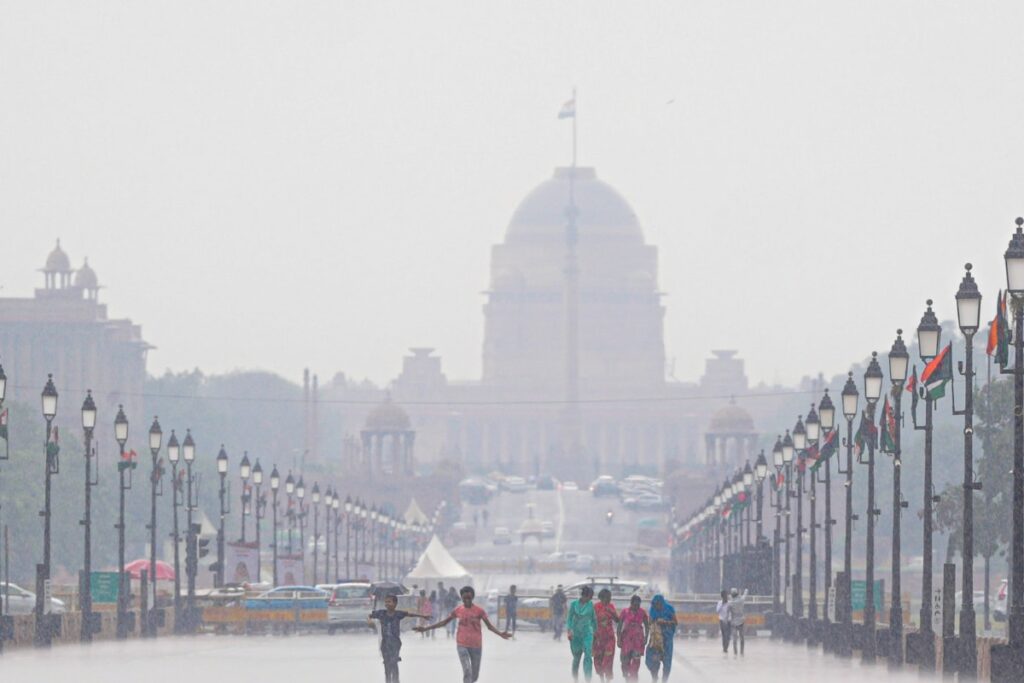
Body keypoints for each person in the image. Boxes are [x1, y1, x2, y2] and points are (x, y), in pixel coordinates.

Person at [414, 586, 511, 683]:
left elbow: (489, 626)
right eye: (465, 598)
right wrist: (425, 628)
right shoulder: (458, 610)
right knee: (467, 670)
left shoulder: (479, 611)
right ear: (461, 598)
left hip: (476, 646)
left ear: (472, 597)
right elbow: (444, 622)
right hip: (462, 645)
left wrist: (500, 634)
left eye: (469, 597)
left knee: (474, 676)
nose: (467, 600)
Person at [368, 594, 431, 683]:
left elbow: (410, 614)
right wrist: (369, 622)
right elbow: (369, 615)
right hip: (385, 643)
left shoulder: (398, 614)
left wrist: (423, 616)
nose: (387, 604)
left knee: (394, 663)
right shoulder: (381, 613)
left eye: (389, 602)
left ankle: (396, 680)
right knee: (387, 665)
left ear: (395, 603)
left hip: (395, 643)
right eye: (386, 602)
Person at [567, 585, 597, 682]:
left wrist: (595, 632)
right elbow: (569, 618)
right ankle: (575, 679)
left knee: (588, 655)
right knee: (576, 658)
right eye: (590, 596)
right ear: (585, 595)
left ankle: (588, 679)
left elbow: (593, 619)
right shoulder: (573, 604)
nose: (591, 598)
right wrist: (569, 630)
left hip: (587, 633)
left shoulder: (590, 605)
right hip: (575, 634)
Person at [618, 595, 649, 681]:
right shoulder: (625, 611)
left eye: (638, 605)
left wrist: (646, 637)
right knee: (625, 661)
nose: (636, 607)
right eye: (635, 604)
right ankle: (627, 677)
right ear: (631, 603)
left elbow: (647, 625)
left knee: (636, 661)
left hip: (638, 640)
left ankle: (633, 678)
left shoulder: (642, 612)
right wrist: (618, 638)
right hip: (626, 639)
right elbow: (619, 625)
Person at [646, 595, 677, 681]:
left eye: (658, 604)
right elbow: (650, 622)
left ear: (662, 603)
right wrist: (656, 621)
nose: (657, 606)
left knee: (667, 662)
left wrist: (666, 622)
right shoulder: (652, 609)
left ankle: (664, 680)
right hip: (656, 638)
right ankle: (654, 677)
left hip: (667, 639)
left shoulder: (669, 608)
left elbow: (675, 622)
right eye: (655, 604)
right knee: (651, 659)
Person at [593, 588, 619, 681]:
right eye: (608, 598)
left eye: (610, 597)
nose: (609, 599)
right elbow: (591, 621)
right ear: (602, 598)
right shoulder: (595, 607)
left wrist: (611, 612)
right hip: (598, 638)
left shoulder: (611, 606)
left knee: (607, 660)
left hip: (609, 637)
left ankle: (608, 680)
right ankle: (602, 680)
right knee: (598, 659)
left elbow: (617, 620)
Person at [730, 588, 748, 655]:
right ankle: (742, 652)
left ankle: (735, 653)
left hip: (734, 622)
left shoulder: (731, 603)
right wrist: (745, 590)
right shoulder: (741, 600)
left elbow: (728, 611)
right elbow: (745, 595)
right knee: (742, 638)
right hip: (741, 621)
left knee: (734, 639)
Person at [715, 590, 732, 655]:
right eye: (725, 596)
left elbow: (732, 610)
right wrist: (722, 604)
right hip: (722, 620)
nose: (726, 597)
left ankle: (726, 646)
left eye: (727, 595)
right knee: (724, 635)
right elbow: (717, 611)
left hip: (729, 620)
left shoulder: (730, 603)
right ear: (722, 596)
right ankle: (724, 648)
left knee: (728, 635)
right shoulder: (719, 603)